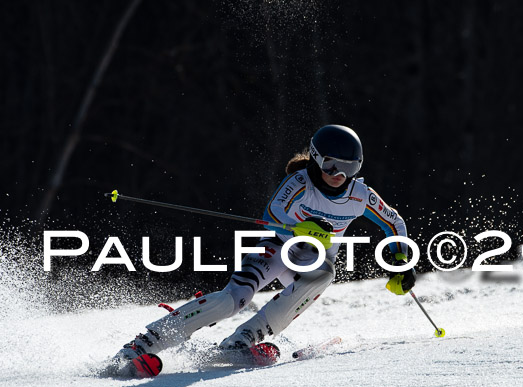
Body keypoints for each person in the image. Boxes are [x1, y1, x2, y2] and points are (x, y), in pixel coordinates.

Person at [111, 125, 416, 374]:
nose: (339, 174)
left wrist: (402, 259)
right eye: (331, 165)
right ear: (315, 158)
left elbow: (394, 222)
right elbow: (273, 212)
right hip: (277, 247)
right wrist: (302, 225)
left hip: (310, 263)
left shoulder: (359, 194)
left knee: (325, 272)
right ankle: (145, 342)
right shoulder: (299, 182)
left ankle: (242, 340)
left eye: (349, 167)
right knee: (233, 299)